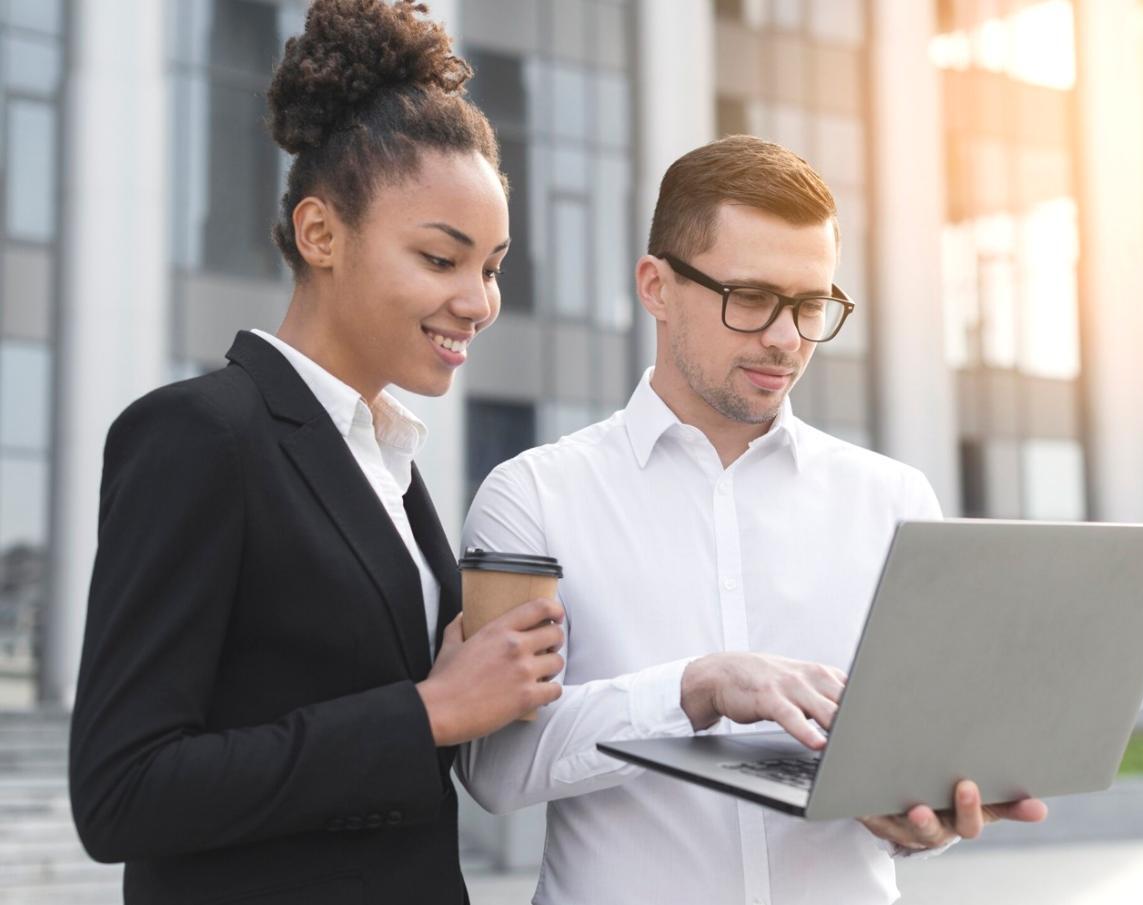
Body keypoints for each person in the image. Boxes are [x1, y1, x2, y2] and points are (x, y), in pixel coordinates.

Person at [460, 135, 1048, 905]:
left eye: (810, 305)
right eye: (751, 298)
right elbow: (496, 773)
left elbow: (917, 767)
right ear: (656, 285)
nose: (784, 337)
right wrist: (694, 687)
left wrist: (922, 820)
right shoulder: (532, 496)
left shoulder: (895, 502)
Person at [68, 3, 564, 903]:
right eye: (440, 258)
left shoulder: (391, 464)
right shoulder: (199, 435)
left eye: (491, 266)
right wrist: (428, 710)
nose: (479, 300)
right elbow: (121, 791)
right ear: (320, 234)